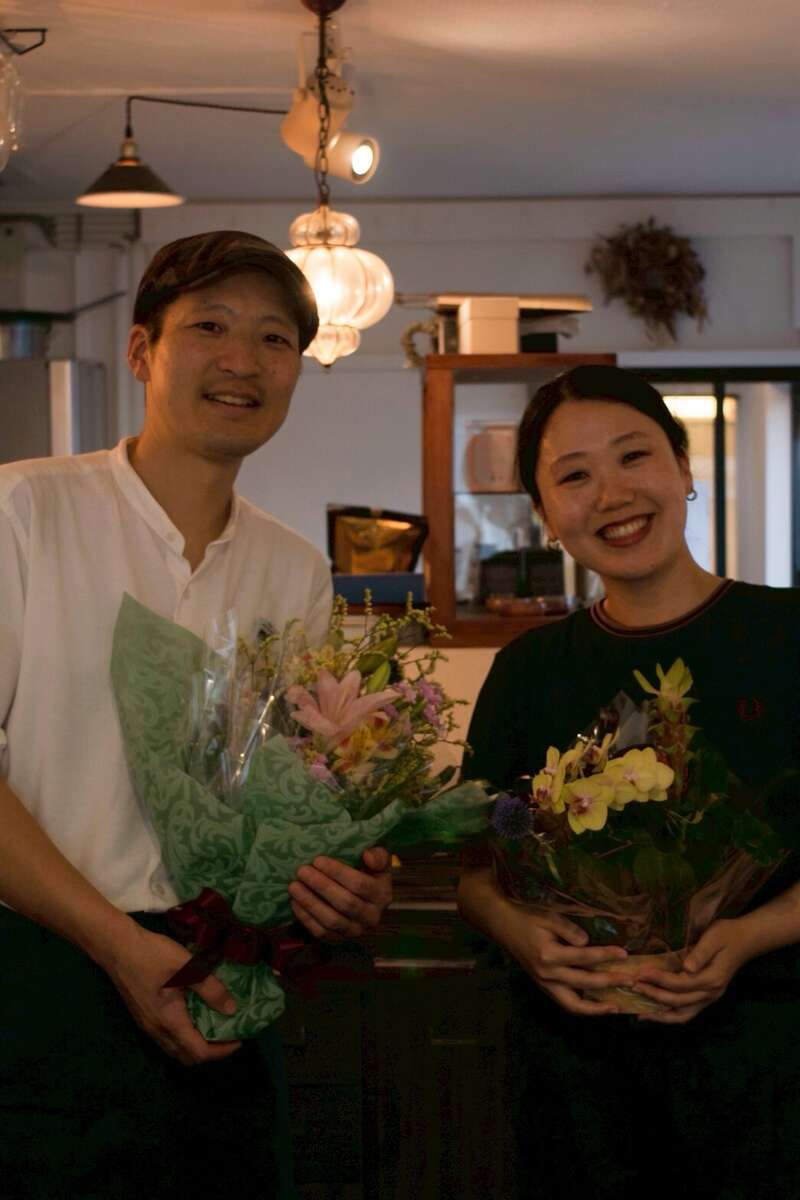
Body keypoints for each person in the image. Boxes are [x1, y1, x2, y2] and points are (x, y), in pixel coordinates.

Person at [0, 231, 393, 1199]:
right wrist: (120, 946)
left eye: (273, 339)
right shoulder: (23, 512)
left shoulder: (293, 569)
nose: (242, 361)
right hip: (39, 974)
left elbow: (290, 792)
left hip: (221, 977)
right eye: (210, 327)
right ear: (142, 351)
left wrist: (350, 872)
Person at [458, 364, 800, 1200]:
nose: (611, 495)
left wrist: (748, 936)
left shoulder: (786, 634)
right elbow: (473, 869)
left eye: (634, 456)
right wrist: (520, 933)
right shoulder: (528, 669)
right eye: (574, 476)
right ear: (546, 516)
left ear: (683, 468)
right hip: (582, 1081)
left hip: (774, 1064)